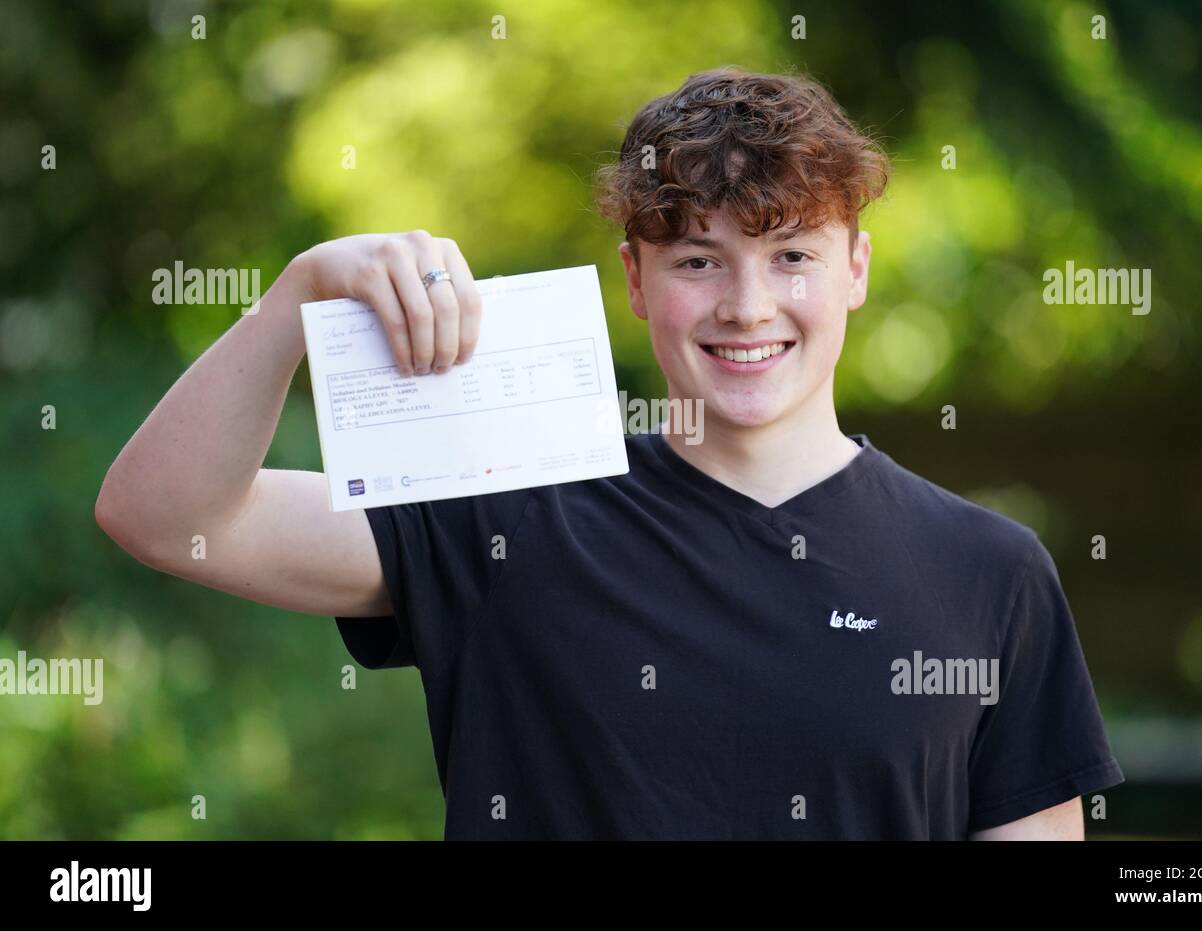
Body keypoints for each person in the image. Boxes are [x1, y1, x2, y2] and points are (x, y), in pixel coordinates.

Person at [96, 66, 1123, 839]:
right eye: (697, 259)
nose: (746, 305)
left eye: (792, 256)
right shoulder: (504, 501)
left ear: (855, 267)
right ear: (634, 280)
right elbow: (164, 517)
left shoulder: (989, 574)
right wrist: (297, 299)